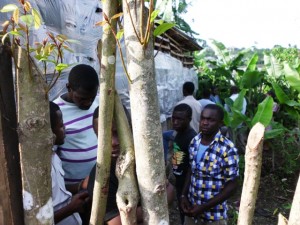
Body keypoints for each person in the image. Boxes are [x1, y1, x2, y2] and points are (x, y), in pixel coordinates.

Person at [180, 104, 239, 225]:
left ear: (220, 123)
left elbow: (232, 186)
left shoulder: (227, 148)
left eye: (210, 120)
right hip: (191, 210)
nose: (205, 123)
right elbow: (191, 170)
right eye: (203, 118)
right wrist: (183, 195)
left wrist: (203, 207)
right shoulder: (195, 141)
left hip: (214, 216)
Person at [54, 64, 99, 184]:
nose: (88, 103)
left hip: (100, 184)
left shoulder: (99, 103)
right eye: (82, 98)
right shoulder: (56, 113)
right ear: (69, 87)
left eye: (92, 98)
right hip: (74, 191)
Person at [50, 102, 89, 225]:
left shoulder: (53, 156)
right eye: (61, 126)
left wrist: (80, 186)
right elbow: (36, 219)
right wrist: (71, 208)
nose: (65, 129)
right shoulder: (37, 170)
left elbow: (57, 192)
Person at [171, 104, 197, 224]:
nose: (175, 122)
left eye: (180, 119)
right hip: (179, 181)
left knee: (187, 214)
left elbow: (193, 168)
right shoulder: (179, 133)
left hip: (187, 186)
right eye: (174, 118)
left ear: (189, 119)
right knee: (182, 214)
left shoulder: (191, 138)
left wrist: (184, 193)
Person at [163, 82, 202, 161]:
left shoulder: (180, 104)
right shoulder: (198, 104)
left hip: (181, 134)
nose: (175, 122)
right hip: (195, 132)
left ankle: (164, 159)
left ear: (184, 90)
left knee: (165, 136)